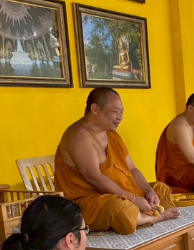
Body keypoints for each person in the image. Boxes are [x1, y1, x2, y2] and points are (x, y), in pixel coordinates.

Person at [55, 87, 181, 235]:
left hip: (119, 193)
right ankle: (154, 218)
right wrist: (133, 199)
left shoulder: (112, 135)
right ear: (95, 109)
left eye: (122, 112)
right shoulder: (78, 135)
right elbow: (94, 177)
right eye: (115, 112)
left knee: (161, 190)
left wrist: (149, 191)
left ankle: (142, 216)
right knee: (120, 208)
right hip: (89, 200)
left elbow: (132, 169)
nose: (120, 117)